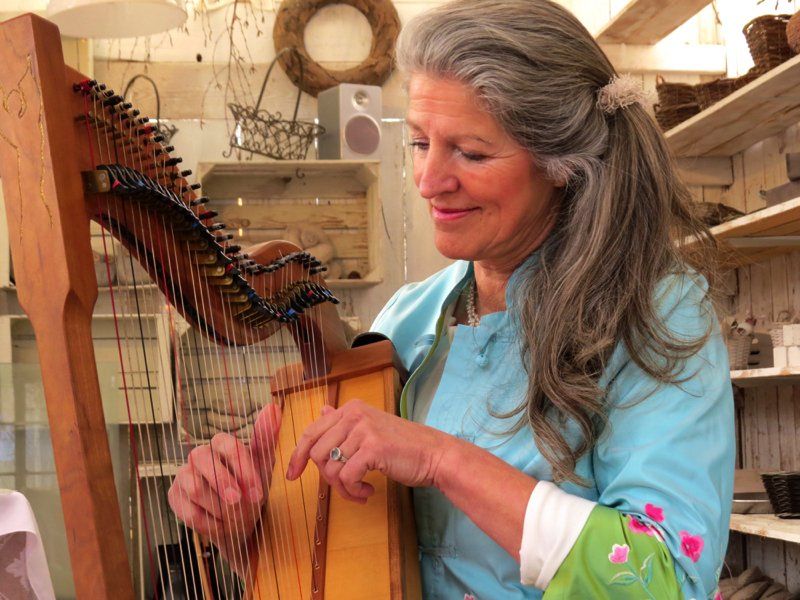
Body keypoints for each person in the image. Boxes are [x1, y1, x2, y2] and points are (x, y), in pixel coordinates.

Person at [168, 1, 734, 598]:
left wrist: (441, 459)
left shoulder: (658, 314)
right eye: (419, 143)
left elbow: (669, 578)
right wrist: (243, 527)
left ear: (562, 164)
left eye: (471, 152)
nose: (428, 181)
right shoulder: (406, 321)